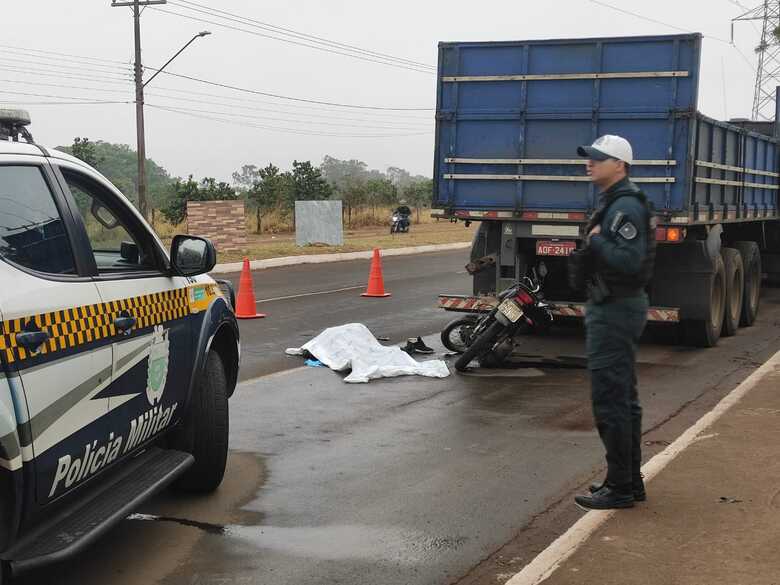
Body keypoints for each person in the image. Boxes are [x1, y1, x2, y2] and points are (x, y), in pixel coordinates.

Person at [573, 135, 656, 510]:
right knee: (624, 399)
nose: (589, 164)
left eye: (598, 158)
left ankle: (620, 488)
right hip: (615, 304)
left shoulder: (626, 206)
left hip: (616, 308)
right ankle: (627, 481)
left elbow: (629, 261)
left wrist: (596, 241)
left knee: (611, 399)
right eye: (589, 158)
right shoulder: (617, 201)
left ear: (619, 164)